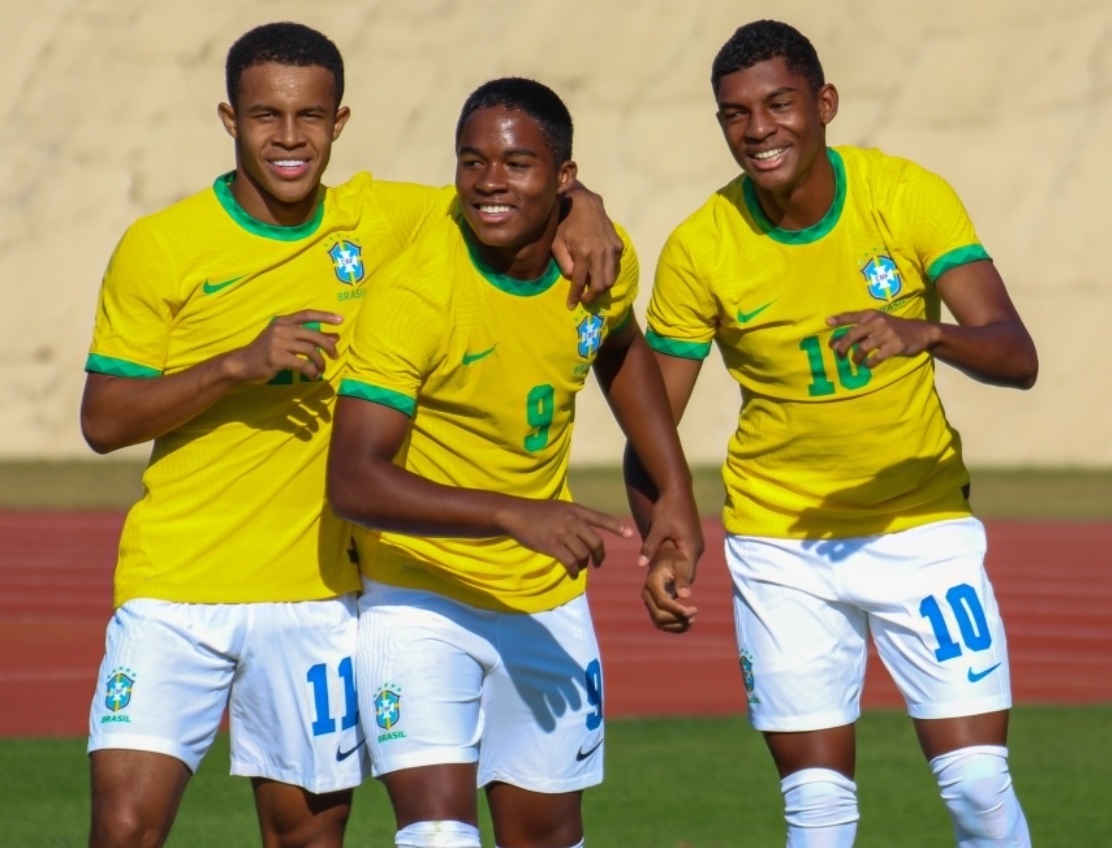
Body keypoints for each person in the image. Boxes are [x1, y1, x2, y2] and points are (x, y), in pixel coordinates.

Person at [80, 23, 624, 848]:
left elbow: (508, 186)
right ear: (230, 118)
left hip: (317, 592)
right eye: (266, 115)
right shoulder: (160, 246)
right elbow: (102, 419)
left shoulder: (391, 218)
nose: (289, 138)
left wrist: (588, 208)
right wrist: (237, 364)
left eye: (310, 117)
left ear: (339, 122)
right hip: (173, 584)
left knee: (306, 837)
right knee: (124, 828)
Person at [627, 19, 1039, 848]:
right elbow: (651, 425)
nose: (758, 130)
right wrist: (662, 537)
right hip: (782, 548)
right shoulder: (702, 246)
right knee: (817, 813)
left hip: (920, 528)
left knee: (978, 790)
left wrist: (930, 334)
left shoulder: (906, 195)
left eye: (779, 104)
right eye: (736, 114)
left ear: (825, 105)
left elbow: (1015, 354)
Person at [326, 77, 703, 848]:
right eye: (471, 163)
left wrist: (674, 494)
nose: (489, 183)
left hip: (543, 600)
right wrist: (510, 512)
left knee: (547, 837)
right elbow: (352, 479)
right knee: (438, 835)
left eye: (516, 164)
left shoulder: (599, 261)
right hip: (418, 594)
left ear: (565, 179)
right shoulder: (417, 294)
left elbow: (619, 351)